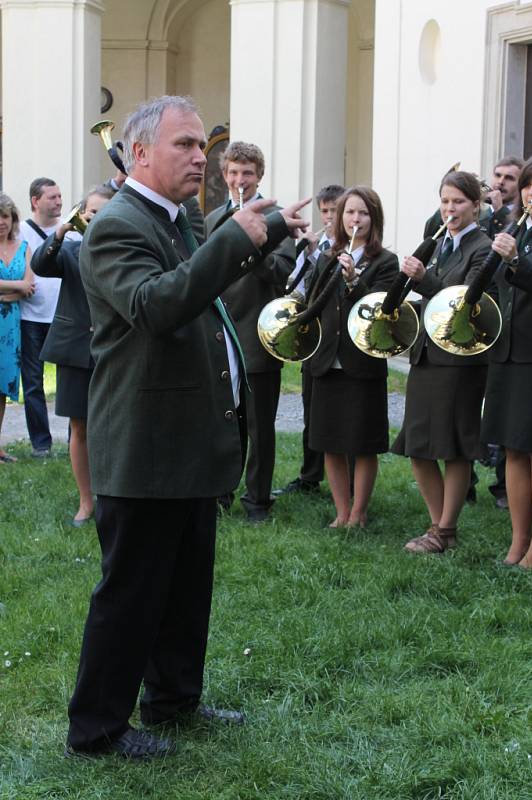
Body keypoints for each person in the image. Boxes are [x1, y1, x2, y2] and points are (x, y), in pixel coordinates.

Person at [66, 95, 309, 759]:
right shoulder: (118, 225)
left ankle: (173, 701)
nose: (202, 157)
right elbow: (157, 305)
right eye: (185, 144)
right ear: (139, 153)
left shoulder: (180, 219)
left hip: (186, 439)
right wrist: (233, 237)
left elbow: (205, 288)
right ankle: (96, 731)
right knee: (131, 595)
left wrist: (267, 235)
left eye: (203, 144)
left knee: (183, 586)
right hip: (144, 442)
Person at [392, 171, 492, 554]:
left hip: (459, 358)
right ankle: (438, 526)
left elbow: (464, 302)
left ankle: (445, 529)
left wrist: (423, 280)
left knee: (453, 445)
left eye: (459, 202)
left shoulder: (481, 247)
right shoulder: (437, 244)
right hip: (427, 355)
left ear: (475, 206)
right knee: (418, 445)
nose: (450, 209)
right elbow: (430, 299)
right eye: (445, 201)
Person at [204, 141, 296, 523]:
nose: (240, 180)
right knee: (224, 421)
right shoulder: (213, 220)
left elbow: (280, 272)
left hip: (259, 332)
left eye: (248, 174)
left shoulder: (277, 217)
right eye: (233, 173)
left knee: (259, 425)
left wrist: (252, 240)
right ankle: (221, 491)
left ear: (259, 176)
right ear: (224, 176)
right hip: (221, 332)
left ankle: (257, 500)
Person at [307, 186, 398, 528]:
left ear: (373, 219)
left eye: (362, 213)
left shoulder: (385, 262)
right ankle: (341, 511)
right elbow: (314, 300)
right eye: (349, 212)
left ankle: (359, 512)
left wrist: (355, 279)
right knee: (329, 439)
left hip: (363, 360)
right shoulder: (328, 255)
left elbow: (380, 309)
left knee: (363, 442)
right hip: (327, 359)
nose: (354, 219)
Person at [31, 185, 114, 525]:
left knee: (115, 426)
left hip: (114, 350)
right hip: (76, 350)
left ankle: (114, 497)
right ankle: (86, 501)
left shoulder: (124, 251)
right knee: (78, 426)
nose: (96, 219)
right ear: (81, 215)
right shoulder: (70, 250)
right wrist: (62, 230)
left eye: (104, 213)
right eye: (91, 212)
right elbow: (40, 263)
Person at [274, 184, 345, 497]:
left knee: (342, 413)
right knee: (311, 408)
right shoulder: (317, 244)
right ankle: (310, 475)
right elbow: (301, 287)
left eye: (334, 211)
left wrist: (318, 254)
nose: (329, 217)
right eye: (325, 211)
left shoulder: (348, 248)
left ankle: (348, 480)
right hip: (313, 338)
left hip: (339, 339)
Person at [481, 155, 532, 568]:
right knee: (513, 450)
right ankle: (518, 541)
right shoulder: (515, 228)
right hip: (509, 352)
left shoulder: (519, 242)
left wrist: (516, 260)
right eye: (530, 185)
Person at [19, 178, 63, 457]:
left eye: (60, 197)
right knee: (33, 383)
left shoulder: (69, 231)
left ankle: (76, 439)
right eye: (52, 197)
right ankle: (41, 444)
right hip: (30, 317)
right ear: (36, 201)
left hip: (63, 317)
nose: (59, 201)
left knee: (72, 382)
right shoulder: (20, 231)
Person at [0, 194, 34, 462]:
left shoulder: (23, 247)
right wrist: (16, 287)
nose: (1, 222)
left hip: (11, 325)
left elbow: (29, 287)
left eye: (5, 216)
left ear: (13, 220)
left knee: (2, 388)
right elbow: (20, 286)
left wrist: (6, 292)